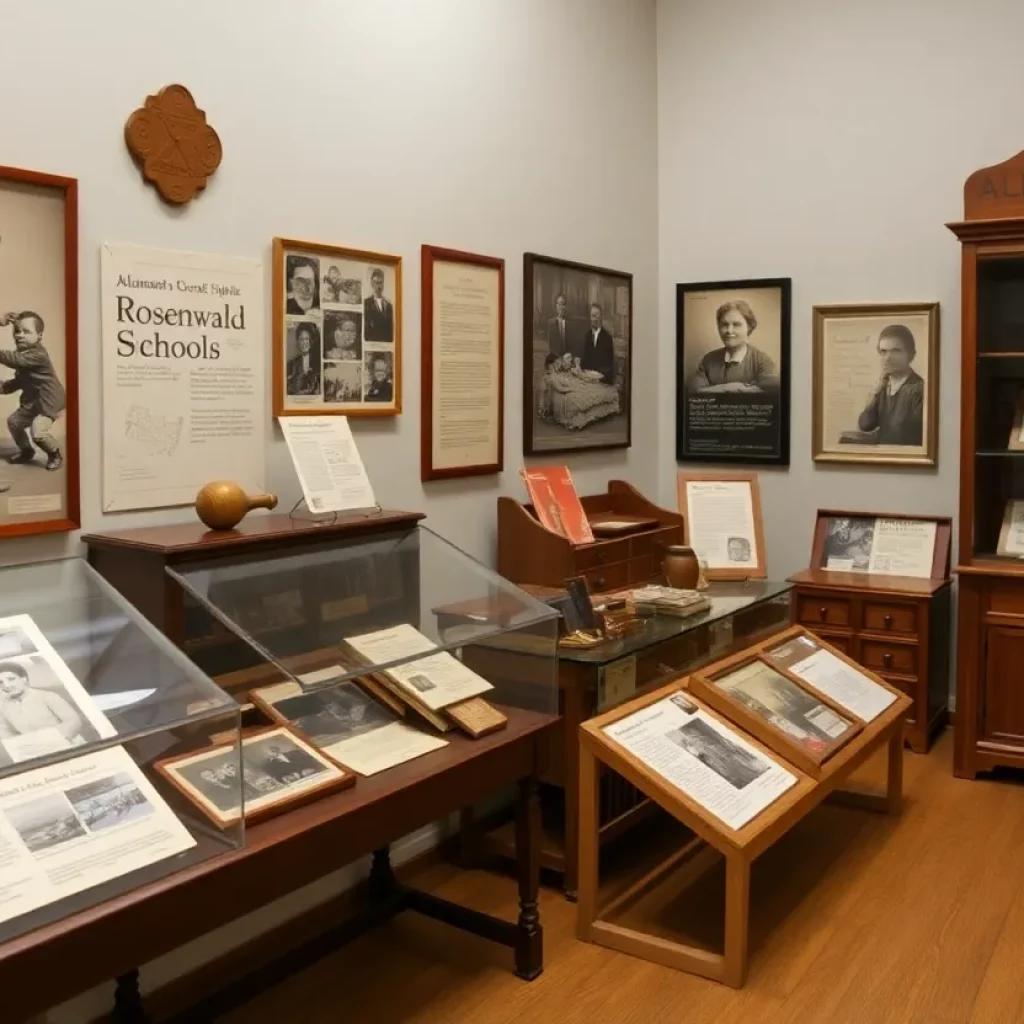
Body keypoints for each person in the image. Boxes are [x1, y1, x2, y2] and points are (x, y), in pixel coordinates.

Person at [0, 312, 66, 470]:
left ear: (39, 335)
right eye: (17, 331)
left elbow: (13, 359)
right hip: (33, 400)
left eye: (26, 331)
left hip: (50, 401)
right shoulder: (24, 355)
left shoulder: (38, 355)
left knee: (38, 432)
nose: (20, 335)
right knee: (14, 422)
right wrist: (3, 387)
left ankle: (54, 454)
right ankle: (26, 451)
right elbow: (21, 381)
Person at [849, 324, 924, 446]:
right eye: (883, 351)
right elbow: (865, 425)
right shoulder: (882, 386)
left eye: (896, 351)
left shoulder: (919, 389)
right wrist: (873, 395)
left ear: (911, 355)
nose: (888, 358)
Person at [690, 300, 777, 394]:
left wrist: (713, 389)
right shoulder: (708, 360)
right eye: (724, 324)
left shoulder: (762, 361)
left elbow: (771, 394)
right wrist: (732, 387)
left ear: (749, 328)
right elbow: (694, 392)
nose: (729, 330)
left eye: (736, 325)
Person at [0, 661, 84, 745]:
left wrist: (54, 741)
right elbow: (7, 735)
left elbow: (73, 722)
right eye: (1, 682)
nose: (6, 685)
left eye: (11, 679)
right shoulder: (3, 707)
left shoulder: (47, 696)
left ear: (24, 679)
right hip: (34, 750)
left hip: (68, 744)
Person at [580, 303, 616, 384]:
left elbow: (609, 365)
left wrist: (598, 376)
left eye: (597, 316)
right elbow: (584, 360)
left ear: (601, 317)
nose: (595, 319)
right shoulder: (587, 336)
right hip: (588, 380)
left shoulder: (607, 338)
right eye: (593, 316)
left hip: (602, 381)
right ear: (590, 318)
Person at [286, 324, 321, 396]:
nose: (304, 343)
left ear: (311, 341)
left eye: (306, 339)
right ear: (298, 342)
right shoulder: (292, 363)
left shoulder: (318, 361)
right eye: (301, 339)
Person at [364, 268, 394, 342]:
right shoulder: (366, 304)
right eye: (376, 283)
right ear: (372, 284)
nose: (378, 286)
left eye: (381, 283)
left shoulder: (389, 306)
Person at [546, 294, 572, 359]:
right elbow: (550, 345)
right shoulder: (551, 323)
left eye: (563, 304)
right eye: (559, 304)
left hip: (567, 358)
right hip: (555, 358)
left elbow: (572, 344)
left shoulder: (570, 323)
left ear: (565, 306)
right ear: (556, 306)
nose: (561, 307)